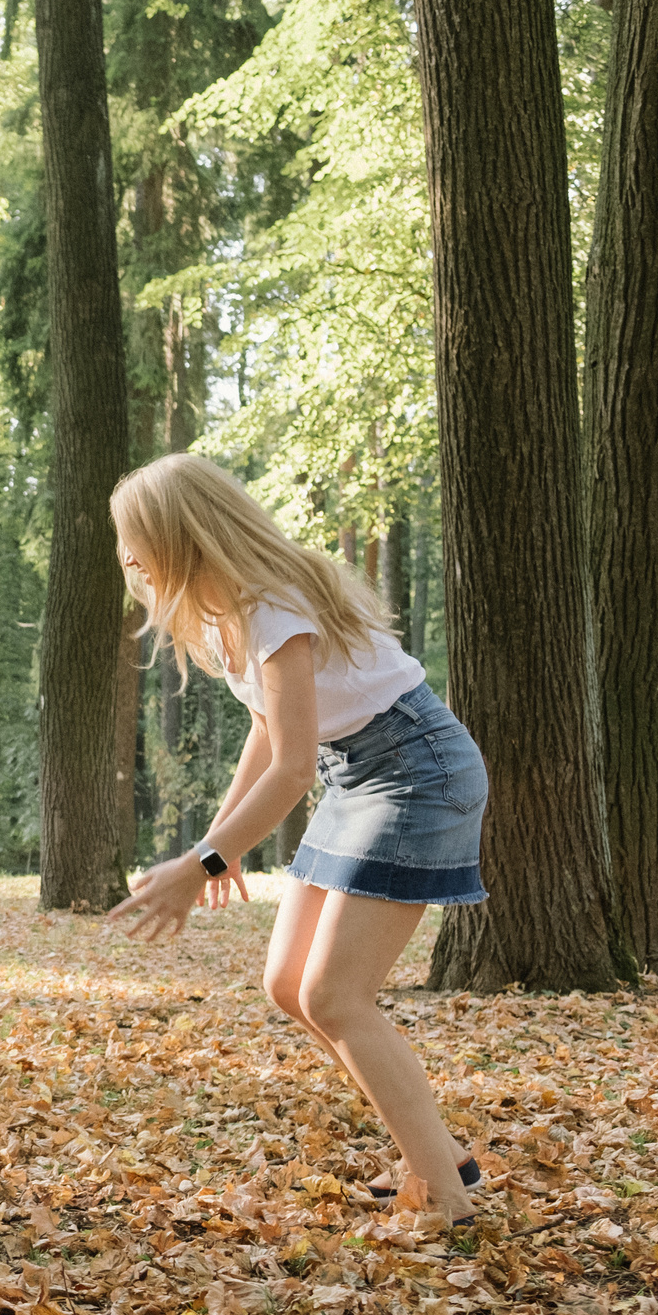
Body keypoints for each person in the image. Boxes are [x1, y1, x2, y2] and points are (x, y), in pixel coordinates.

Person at [105, 453, 487, 1221]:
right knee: (289, 986)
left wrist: (199, 861)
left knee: (334, 993)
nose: (126, 557)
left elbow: (290, 769)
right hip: (356, 775)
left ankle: (447, 1196)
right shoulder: (220, 620)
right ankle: (438, 1155)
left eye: (136, 538)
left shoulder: (274, 607)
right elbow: (264, 730)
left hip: (417, 770)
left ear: (183, 536)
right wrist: (222, 838)